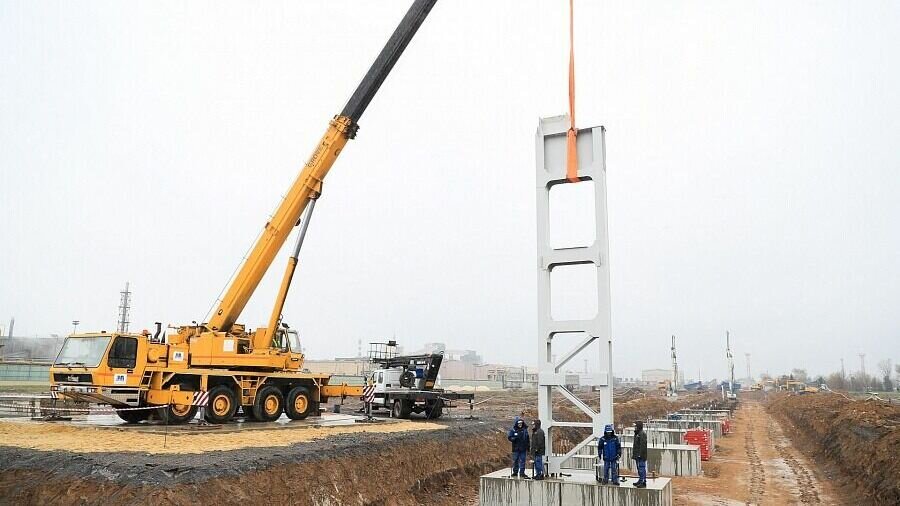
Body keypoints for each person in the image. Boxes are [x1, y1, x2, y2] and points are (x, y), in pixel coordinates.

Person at [632, 420, 648, 488]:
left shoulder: (642, 434)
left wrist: (640, 454)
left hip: (640, 455)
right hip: (637, 455)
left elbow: (643, 445)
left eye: (635, 426)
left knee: (641, 468)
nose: (634, 427)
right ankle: (640, 479)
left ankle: (643, 481)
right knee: (639, 468)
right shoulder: (637, 433)